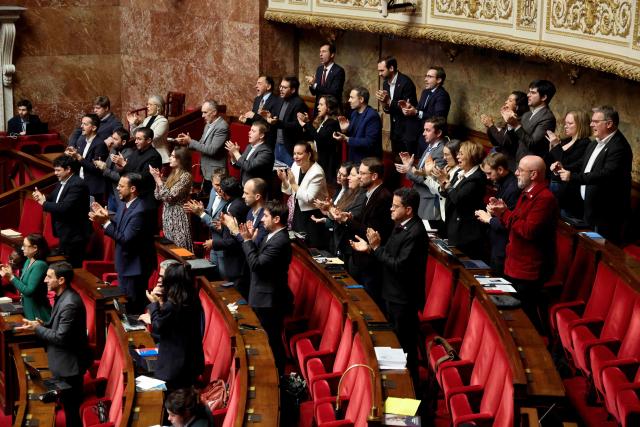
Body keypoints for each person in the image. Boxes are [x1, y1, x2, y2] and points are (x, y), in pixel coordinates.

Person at [350, 187, 428, 386]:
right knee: (395, 347)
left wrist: (375, 248)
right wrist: (370, 249)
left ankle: (409, 394)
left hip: (403, 300)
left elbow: (399, 265)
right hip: (392, 294)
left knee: (404, 350)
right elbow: (389, 255)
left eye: (395, 206)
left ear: (408, 210)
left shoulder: (416, 232)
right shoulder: (400, 224)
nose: (390, 210)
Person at [486, 155, 558, 332]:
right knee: (516, 316)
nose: (516, 173)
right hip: (516, 263)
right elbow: (517, 220)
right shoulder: (527, 193)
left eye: (520, 170)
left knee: (527, 319)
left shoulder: (544, 198)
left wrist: (503, 214)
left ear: (533, 174)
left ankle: (540, 352)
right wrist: (504, 210)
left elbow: (528, 231)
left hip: (529, 268)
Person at [17, 261, 90, 427]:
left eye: (49, 277)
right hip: (62, 361)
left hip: (69, 366)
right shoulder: (63, 296)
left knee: (72, 412)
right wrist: (41, 324)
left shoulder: (70, 303)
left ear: (61, 280)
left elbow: (60, 337)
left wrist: (38, 329)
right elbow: (57, 326)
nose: (45, 280)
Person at [556, 105, 632, 244]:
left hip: (605, 213)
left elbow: (605, 175)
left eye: (596, 122)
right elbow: (583, 165)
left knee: (601, 248)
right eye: (592, 121)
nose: (591, 124)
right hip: (588, 208)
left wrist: (572, 177)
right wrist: (564, 167)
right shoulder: (595, 143)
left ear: (609, 124)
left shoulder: (619, 147)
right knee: (587, 246)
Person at [89, 173, 157, 314]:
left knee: (132, 308)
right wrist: (105, 217)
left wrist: (105, 222)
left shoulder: (140, 211)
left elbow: (126, 239)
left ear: (132, 189)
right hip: (125, 264)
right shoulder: (124, 204)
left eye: (121, 186)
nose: (118, 188)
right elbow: (119, 226)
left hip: (134, 269)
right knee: (124, 305)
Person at [238, 200, 293, 374]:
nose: (262, 219)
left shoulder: (280, 241)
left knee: (272, 340)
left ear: (277, 219)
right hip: (263, 295)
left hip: (270, 301)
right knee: (268, 338)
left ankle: (277, 375)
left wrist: (247, 241)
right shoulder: (272, 236)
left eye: (266, 216)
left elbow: (257, 266)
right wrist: (252, 240)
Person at [331, 157, 393, 305]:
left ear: (374, 176)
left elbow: (372, 231)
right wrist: (350, 216)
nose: (358, 176)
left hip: (371, 260)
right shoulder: (370, 193)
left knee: (370, 302)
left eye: (362, 173)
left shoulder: (383, 197)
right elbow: (365, 219)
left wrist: (348, 221)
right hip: (362, 257)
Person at [146, 263, 204, 390]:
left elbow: (157, 328)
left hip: (174, 367)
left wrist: (155, 305)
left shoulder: (172, 306)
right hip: (190, 363)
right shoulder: (192, 300)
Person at [32, 154, 91, 267]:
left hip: (75, 235)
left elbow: (65, 207)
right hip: (65, 233)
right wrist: (41, 197)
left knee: (71, 267)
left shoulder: (77, 184)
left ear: (68, 169)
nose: (55, 173)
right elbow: (54, 198)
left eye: (58, 170)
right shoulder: (63, 181)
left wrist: (43, 203)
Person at [396, 116, 447, 231]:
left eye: (428, 130)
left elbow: (431, 179)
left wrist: (409, 170)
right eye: (424, 129)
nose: (423, 133)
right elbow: (422, 172)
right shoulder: (431, 146)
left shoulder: (441, 151)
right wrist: (411, 165)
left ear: (438, 133)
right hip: (420, 198)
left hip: (429, 202)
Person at [439, 141, 487, 258]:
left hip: (465, 232)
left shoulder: (476, 178)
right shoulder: (460, 173)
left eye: (461, 154)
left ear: (471, 156)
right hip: (453, 225)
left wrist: (447, 183)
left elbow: (458, 199)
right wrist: (443, 184)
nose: (457, 157)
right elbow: (448, 194)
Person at [475, 153, 520, 274]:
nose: (487, 177)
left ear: (500, 169)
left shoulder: (513, 188)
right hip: (496, 243)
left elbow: (509, 222)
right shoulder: (504, 183)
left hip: (503, 246)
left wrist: (489, 218)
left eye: (489, 173)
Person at [278, 141, 329, 249]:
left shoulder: (317, 172)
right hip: (299, 210)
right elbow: (290, 192)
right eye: (294, 153)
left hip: (313, 215)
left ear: (309, 154)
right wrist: (284, 180)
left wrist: (292, 183)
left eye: (299, 153)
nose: (296, 157)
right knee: (298, 243)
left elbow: (308, 198)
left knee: (311, 246)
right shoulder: (296, 166)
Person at [176, 100, 228, 195]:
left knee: (212, 200)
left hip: (216, 173)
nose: (202, 116)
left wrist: (191, 141)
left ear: (214, 112)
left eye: (205, 112)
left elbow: (211, 150)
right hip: (206, 171)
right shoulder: (208, 125)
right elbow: (201, 144)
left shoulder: (222, 127)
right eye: (202, 112)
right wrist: (186, 142)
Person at [546, 110, 591, 219]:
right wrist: (552, 147)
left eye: (570, 123)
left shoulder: (585, 143)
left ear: (580, 125)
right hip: (554, 185)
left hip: (568, 192)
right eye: (565, 123)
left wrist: (556, 145)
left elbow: (567, 164)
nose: (565, 126)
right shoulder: (566, 140)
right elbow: (551, 161)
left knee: (564, 221)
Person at [184, 169, 228, 275]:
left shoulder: (228, 198)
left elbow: (217, 224)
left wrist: (201, 214)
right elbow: (210, 213)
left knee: (224, 277)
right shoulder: (213, 192)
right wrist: (200, 210)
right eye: (216, 185)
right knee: (213, 276)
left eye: (221, 185)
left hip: (223, 245)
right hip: (212, 243)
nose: (218, 188)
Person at [0, 234, 51, 322]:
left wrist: (11, 277)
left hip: (38, 312)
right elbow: (23, 284)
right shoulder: (28, 260)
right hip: (27, 308)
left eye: (25, 245)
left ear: (35, 248)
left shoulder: (40, 265)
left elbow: (29, 291)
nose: (22, 248)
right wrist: (10, 274)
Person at [402, 66, 451, 155]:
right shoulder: (425, 92)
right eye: (426, 76)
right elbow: (420, 110)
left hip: (432, 136)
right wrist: (411, 108)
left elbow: (438, 118)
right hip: (419, 133)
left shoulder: (442, 96)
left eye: (429, 77)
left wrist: (416, 112)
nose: (425, 79)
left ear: (439, 80)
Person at [151, 147, 193, 251]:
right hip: (168, 215)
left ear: (181, 159)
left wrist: (159, 181)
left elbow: (169, 196)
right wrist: (158, 181)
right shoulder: (172, 174)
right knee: (170, 249)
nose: (170, 158)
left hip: (178, 216)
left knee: (180, 249)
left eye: (173, 156)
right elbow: (158, 196)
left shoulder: (186, 176)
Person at [504, 80, 557, 160]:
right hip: (518, 160)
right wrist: (510, 124)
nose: (528, 95)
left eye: (533, 93)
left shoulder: (548, 118)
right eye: (529, 92)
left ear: (544, 97)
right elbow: (514, 140)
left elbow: (532, 144)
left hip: (531, 165)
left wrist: (516, 125)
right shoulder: (527, 114)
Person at [376, 56, 419, 154]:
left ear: (391, 68)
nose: (379, 74)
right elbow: (388, 109)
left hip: (407, 132)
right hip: (395, 132)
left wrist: (388, 101)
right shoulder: (385, 84)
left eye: (382, 70)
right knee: (396, 162)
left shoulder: (406, 83)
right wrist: (384, 104)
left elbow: (408, 109)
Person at [66, 113, 109, 203]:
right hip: (80, 184)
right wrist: (72, 156)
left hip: (93, 188)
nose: (81, 126)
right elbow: (78, 164)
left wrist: (79, 157)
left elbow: (97, 169)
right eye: (82, 123)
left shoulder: (100, 144)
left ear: (93, 128)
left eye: (85, 124)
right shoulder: (81, 141)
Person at [480, 90, 529, 171]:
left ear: (518, 106)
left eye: (510, 100)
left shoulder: (519, 122)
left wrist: (491, 126)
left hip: (509, 165)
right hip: (501, 160)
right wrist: (489, 127)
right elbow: (496, 143)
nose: (506, 102)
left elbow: (505, 143)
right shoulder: (507, 119)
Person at [298, 94, 341, 183]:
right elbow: (311, 136)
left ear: (329, 107)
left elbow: (320, 139)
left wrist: (306, 125)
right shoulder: (322, 121)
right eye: (318, 104)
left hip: (327, 163)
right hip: (319, 160)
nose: (318, 107)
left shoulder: (332, 123)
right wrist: (307, 123)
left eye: (321, 105)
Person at [266, 76, 308, 165]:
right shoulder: (279, 99)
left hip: (290, 146)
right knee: (279, 174)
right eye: (280, 86)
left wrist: (279, 123)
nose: (281, 89)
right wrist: (269, 117)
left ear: (293, 90)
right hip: (277, 144)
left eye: (284, 88)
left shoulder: (299, 103)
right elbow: (274, 116)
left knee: (291, 175)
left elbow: (298, 125)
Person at [333, 87, 382, 162]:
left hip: (367, 162)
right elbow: (353, 135)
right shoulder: (354, 113)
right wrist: (345, 130)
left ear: (361, 99)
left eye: (352, 97)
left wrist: (347, 139)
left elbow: (369, 142)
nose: (349, 100)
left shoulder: (372, 116)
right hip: (353, 159)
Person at [93, 127, 134, 212]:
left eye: (115, 139)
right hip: (109, 192)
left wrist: (104, 169)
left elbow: (122, 178)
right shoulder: (113, 150)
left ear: (123, 142)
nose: (111, 140)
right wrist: (102, 165)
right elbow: (107, 167)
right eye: (112, 137)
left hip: (119, 193)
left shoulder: (129, 154)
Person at [226, 121, 275, 185]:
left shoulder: (266, 152)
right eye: (250, 130)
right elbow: (240, 165)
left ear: (261, 135)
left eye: (253, 131)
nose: (249, 132)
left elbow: (249, 167)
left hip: (256, 190)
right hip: (244, 186)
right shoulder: (249, 146)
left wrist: (236, 152)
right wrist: (233, 156)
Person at [127, 95, 170, 165]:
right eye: (147, 104)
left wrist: (138, 125)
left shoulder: (163, 122)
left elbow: (152, 137)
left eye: (150, 104)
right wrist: (133, 124)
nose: (147, 106)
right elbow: (136, 135)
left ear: (158, 107)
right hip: (145, 154)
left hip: (159, 156)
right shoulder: (147, 119)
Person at [239, 75, 279, 149]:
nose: (256, 86)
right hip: (256, 140)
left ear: (268, 86)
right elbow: (255, 121)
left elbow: (272, 123)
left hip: (268, 141)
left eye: (259, 83)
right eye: (256, 83)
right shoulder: (257, 99)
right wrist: (246, 121)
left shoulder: (276, 101)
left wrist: (254, 116)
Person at [305, 42, 346, 113]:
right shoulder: (319, 69)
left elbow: (333, 92)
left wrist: (314, 84)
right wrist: (311, 84)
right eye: (320, 52)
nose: (320, 54)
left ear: (332, 54)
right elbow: (314, 93)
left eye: (324, 51)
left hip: (331, 111)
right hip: (318, 109)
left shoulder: (339, 71)